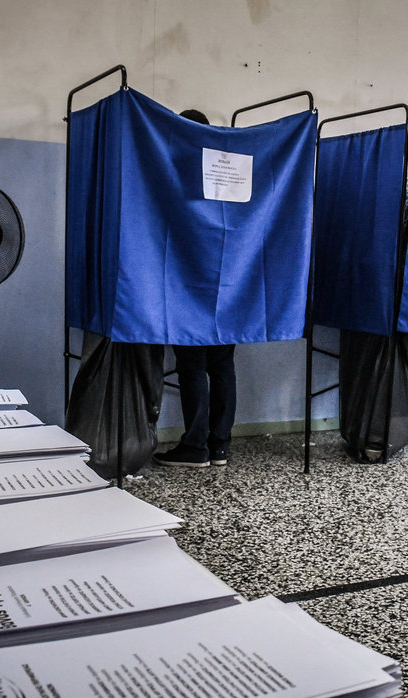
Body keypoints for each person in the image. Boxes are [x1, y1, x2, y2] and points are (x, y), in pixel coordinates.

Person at [154, 108, 238, 469]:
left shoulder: (177, 171)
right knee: (222, 365)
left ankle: (195, 446)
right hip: (229, 281)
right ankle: (220, 446)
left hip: (188, 281)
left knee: (191, 364)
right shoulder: (229, 170)